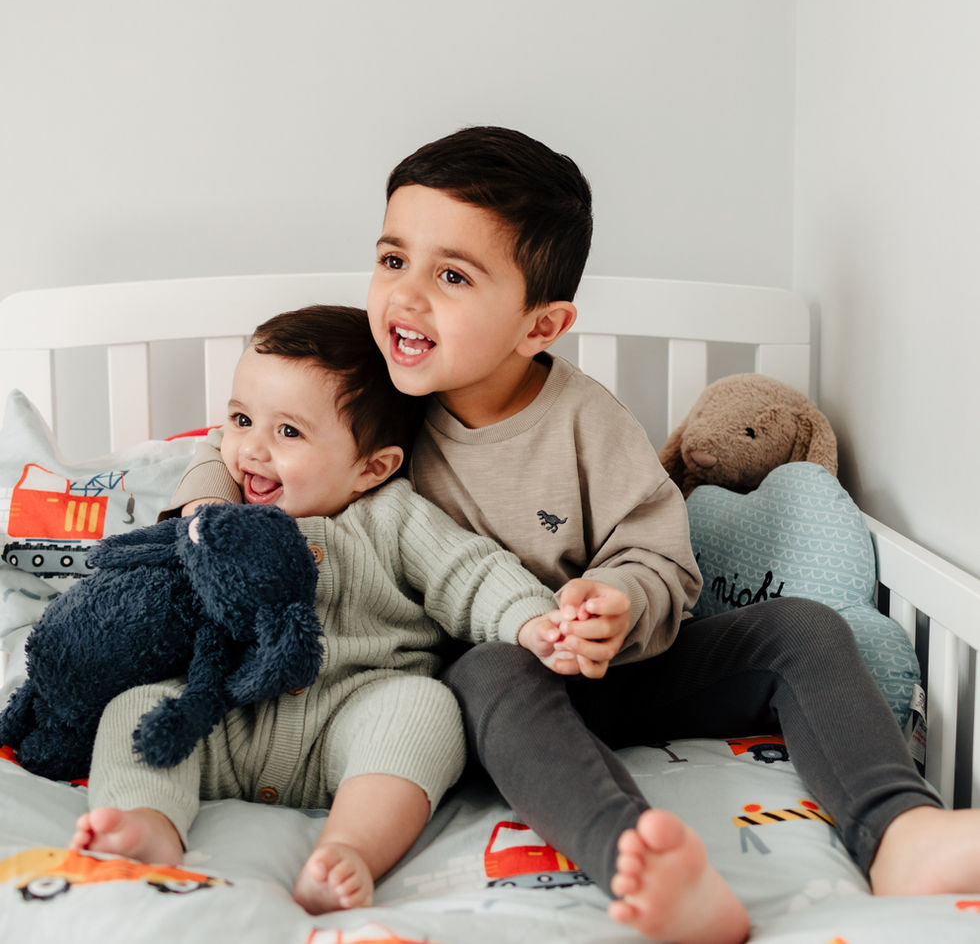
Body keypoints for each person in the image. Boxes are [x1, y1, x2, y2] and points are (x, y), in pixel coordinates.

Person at [165, 127, 980, 944]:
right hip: (490, 700)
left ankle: (899, 830)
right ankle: (642, 861)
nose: (405, 298)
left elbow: (661, 554)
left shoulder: (588, 423)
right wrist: (202, 515)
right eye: (391, 260)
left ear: (540, 325)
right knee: (489, 669)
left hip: (616, 667)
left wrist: (618, 599)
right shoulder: (378, 388)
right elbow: (232, 444)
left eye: (450, 275)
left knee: (802, 627)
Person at [70, 304, 572, 917]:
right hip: (228, 718)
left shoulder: (392, 516)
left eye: (289, 433)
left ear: (373, 467)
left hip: (352, 719)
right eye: (241, 418)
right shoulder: (220, 516)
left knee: (425, 709)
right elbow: (177, 534)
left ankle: (351, 848)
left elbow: (471, 573)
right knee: (138, 708)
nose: (252, 448)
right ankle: (146, 821)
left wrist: (533, 620)